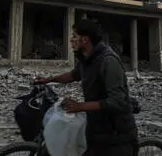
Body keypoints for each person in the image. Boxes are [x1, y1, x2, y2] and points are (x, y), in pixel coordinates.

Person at [34, 19, 138, 156]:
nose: (71, 40)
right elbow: (73, 75)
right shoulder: (87, 58)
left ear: (85, 39)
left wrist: (80, 106)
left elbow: (117, 101)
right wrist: (48, 80)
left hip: (116, 134)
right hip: (97, 127)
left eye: (74, 36)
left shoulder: (108, 61)